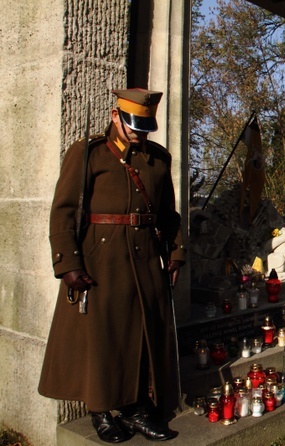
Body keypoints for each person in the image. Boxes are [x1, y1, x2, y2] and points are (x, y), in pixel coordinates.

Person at [39, 89, 186, 443]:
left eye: (145, 126)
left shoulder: (158, 160)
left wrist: (177, 253)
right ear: (115, 115)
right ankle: (101, 410)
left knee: (140, 337)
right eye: (133, 124)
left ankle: (136, 410)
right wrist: (68, 263)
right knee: (103, 339)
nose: (139, 132)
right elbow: (64, 213)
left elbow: (168, 214)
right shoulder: (88, 154)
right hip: (101, 262)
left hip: (147, 260)